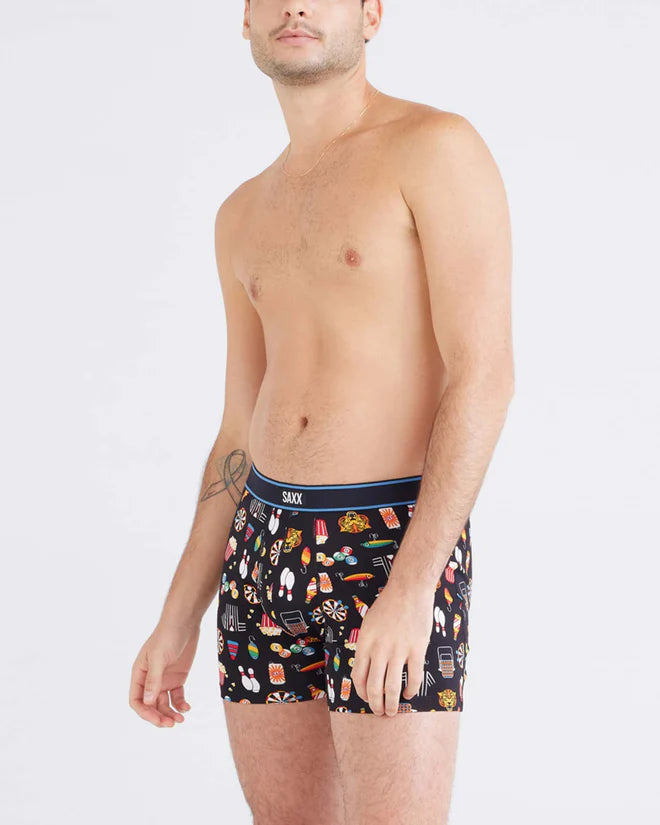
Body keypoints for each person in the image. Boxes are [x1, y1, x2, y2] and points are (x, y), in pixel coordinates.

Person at [129, 1, 514, 822]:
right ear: (246, 19)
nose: (296, 5)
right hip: (261, 544)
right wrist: (178, 616)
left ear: (371, 14)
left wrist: (413, 586)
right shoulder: (241, 212)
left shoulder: (434, 148)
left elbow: (484, 377)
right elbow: (237, 431)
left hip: (387, 541)